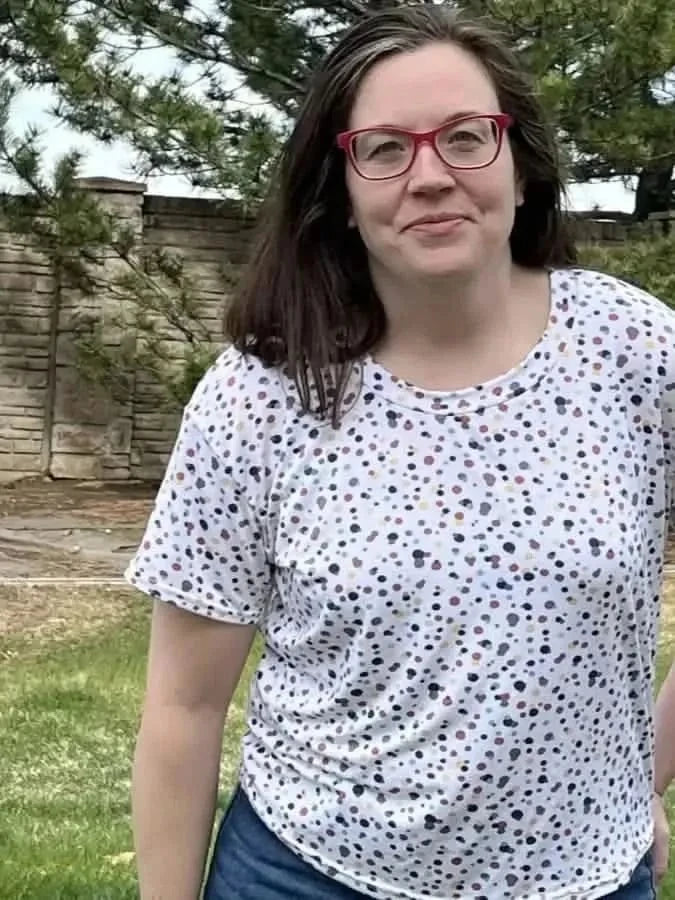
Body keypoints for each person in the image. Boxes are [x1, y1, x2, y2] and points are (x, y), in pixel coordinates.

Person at [124, 5, 675, 899]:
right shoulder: (260, 393)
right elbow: (184, 707)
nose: (429, 176)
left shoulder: (638, 352)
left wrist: (634, 774)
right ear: (338, 189)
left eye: (465, 136)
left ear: (522, 166)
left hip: (586, 881)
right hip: (306, 875)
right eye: (382, 149)